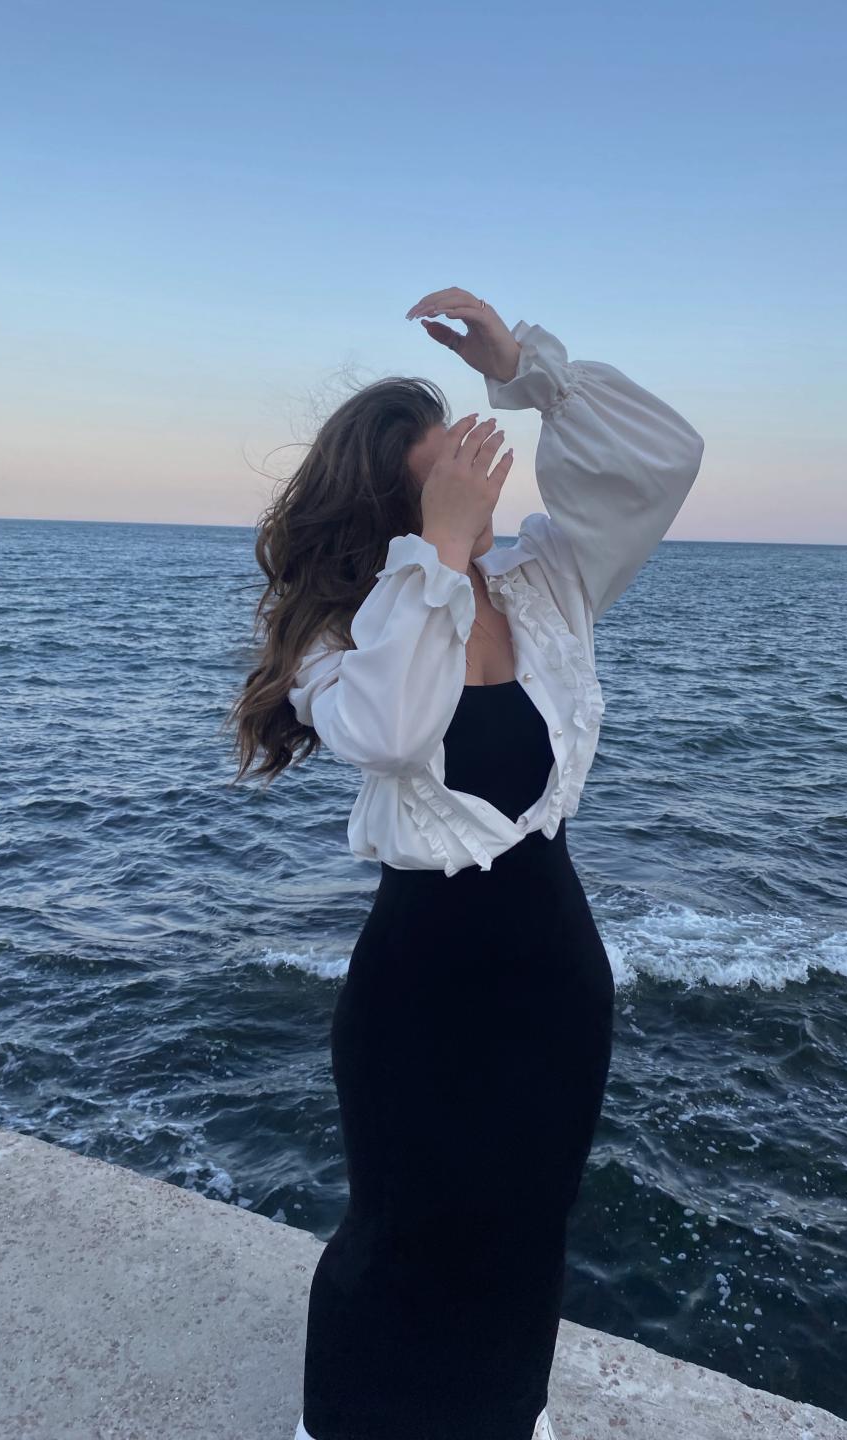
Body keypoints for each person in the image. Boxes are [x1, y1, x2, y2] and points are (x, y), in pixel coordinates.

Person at [226, 288, 705, 1440]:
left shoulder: (547, 581)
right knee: (402, 1226)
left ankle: (505, 1416)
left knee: (529, 1220)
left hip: (554, 968)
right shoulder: (346, 632)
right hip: (422, 984)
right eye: (450, 471)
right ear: (394, 506)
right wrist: (437, 551)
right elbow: (394, 729)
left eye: (474, 458)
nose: (483, 480)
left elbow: (667, 459)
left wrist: (530, 371)